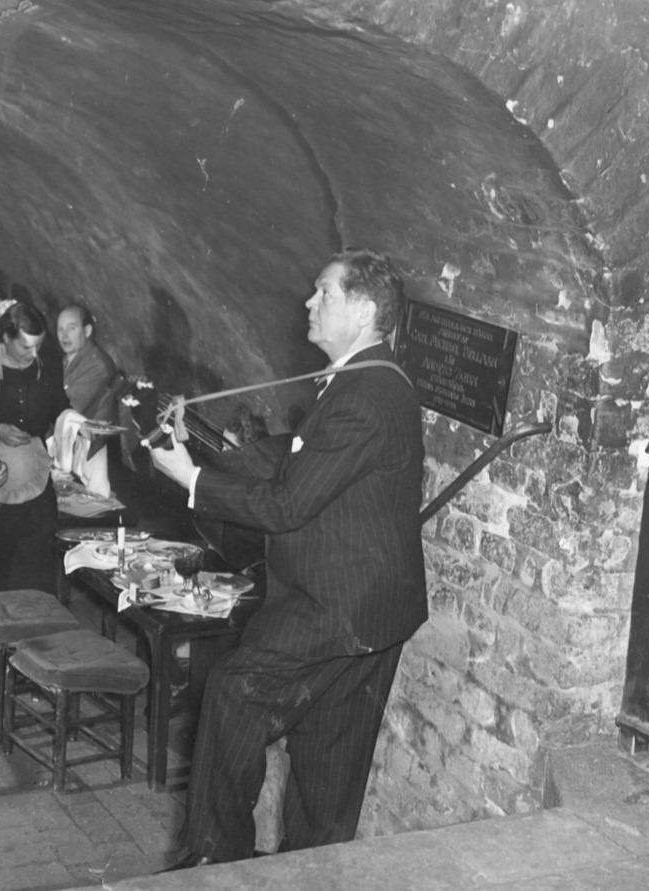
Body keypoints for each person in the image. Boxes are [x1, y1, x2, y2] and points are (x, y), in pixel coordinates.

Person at [148, 249, 427, 867]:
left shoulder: (363, 394)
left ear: (362, 310)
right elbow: (308, 460)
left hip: (336, 609)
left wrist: (192, 479)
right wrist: (218, 454)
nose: (308, 302)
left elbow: (287, 505)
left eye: (322, 293)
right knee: (327, 772)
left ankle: (213, 863)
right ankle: (311, 875)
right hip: (374, 611)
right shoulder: (373, 381)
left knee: (231, 695)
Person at [0, 302, 69, 593]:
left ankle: (34, 626)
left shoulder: (46, 362)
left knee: (38, 555)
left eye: (38, 346)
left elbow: (58, 404)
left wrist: (73, 420)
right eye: (26, 347)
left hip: (35, 476)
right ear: (5, 338)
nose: (33, 354)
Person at [56, 303, 118, 422]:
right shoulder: (65, 360)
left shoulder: (97, 365)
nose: (64, 335)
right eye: (60, 329)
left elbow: (66, 409)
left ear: (87, 331)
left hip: (88, 438)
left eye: (71, 328)